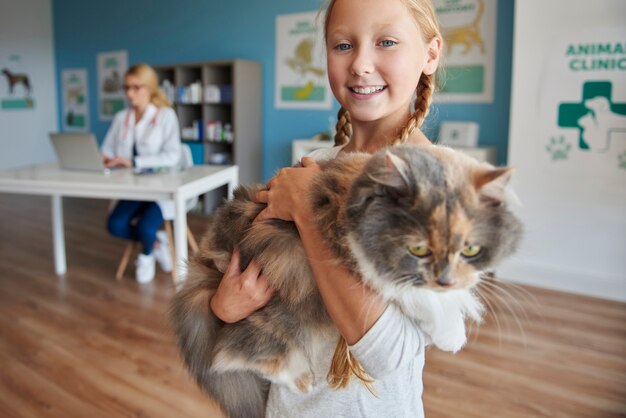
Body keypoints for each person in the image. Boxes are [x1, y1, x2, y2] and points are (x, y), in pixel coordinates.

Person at [211, 0, 442, 415]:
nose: (361, 64)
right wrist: (225, 306)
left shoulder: (436, 186)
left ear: (430, 54)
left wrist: (307, 207)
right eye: (343, 46)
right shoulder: (316, 159)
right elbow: (268, 277)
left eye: (386, 42)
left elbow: (388, 355)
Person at [101, 63, 182, 283]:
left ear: (150, 88)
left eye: (136, 87)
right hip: (133, 188)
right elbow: (107, 149)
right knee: (115, 225)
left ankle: (147, 253)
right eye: (126, 87)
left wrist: (134, 161)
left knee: (146, 226)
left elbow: (172, 156)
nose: (129, 93)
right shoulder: (121, 117)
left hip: (160, 188)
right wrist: (106, 158)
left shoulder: (165, 116)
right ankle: (156, 242)